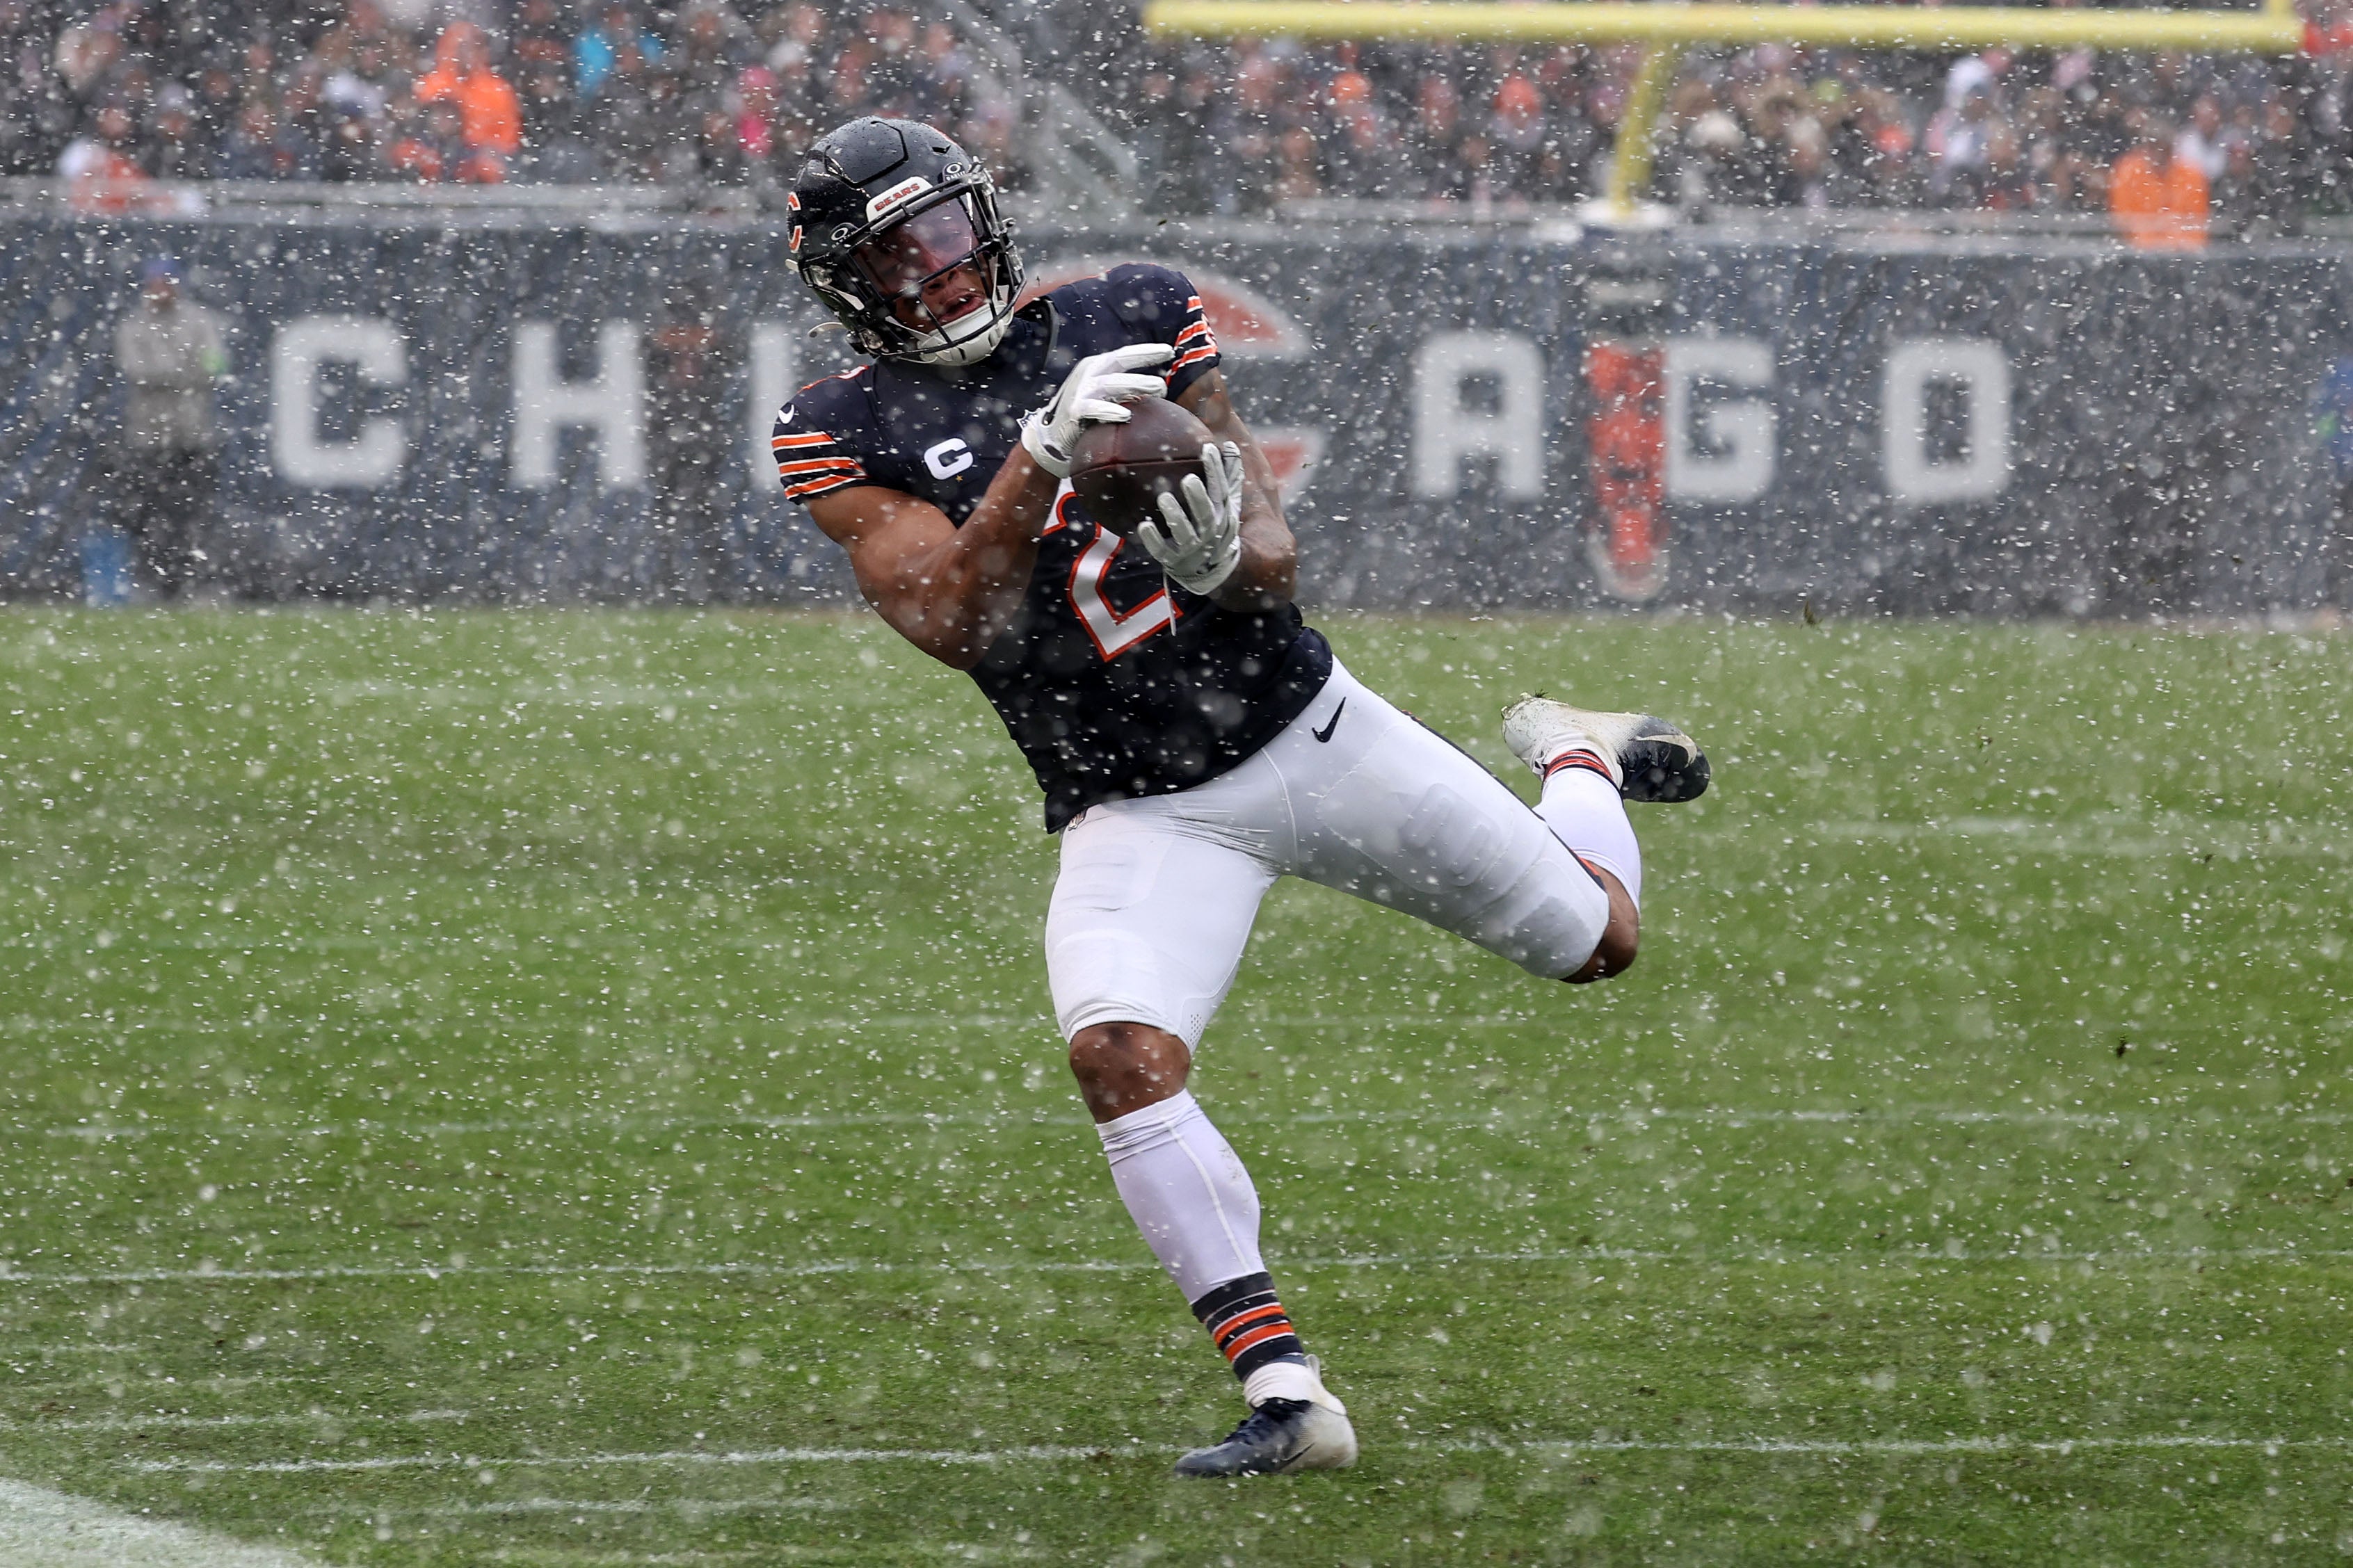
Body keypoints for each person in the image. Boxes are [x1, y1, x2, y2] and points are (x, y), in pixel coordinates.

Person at [771, 117, 1709, 1477]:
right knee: (1116, 1051)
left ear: (986, 218)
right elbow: (950, 619)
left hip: (1306, 727)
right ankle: (1284, 1389)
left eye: (951, 234)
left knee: (1597, 943)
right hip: (1138, 808)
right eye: (901, 255)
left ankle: (1573, 749)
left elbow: (1272, 554)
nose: (942, 270)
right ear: (849, 283)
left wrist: (1224, 554)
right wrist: (1033, 459)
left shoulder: (1131, 312)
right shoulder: (840, 425)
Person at [112, 257, 227, 599]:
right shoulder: (134, 326)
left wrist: (172, 374)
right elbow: (137, 370)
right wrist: (183, 373)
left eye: (166, 283)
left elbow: (215, 364)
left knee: (189, 516)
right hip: (149, 437)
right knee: (148, 514)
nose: (160, 290)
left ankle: (185, 582)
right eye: (155, 284)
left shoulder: (199, 322)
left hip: (192, 435)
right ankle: (151, 582)